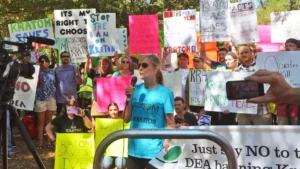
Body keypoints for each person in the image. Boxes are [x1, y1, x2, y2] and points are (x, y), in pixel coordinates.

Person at [124, 54, 175, 169]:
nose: (140, 68)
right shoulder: (135, 90)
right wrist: (128, 98)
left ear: (156, 68)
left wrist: (167, 140)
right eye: (139, 65)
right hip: (134, 149)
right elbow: (126, 119)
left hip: (154, 151)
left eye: (145, 65)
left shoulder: (166, 93)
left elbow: (171, 123)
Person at [235, 45, 271, 125]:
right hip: (243, 111)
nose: (244, 55)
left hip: (261, 110)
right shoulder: (236, 71)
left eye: (246, 52)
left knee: (263, 136)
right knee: (244, 137)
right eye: (242, 53)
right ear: (239, 55)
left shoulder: (262, 67)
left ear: (252, 53)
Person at [275, 38, 300, 125]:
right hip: (283, 107)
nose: (288, 48)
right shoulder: (279, 64)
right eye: (286, 46)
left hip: (297, 106)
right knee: (283, 133)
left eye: (291, 45)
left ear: (298, 49)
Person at [35, 55, 56, 149]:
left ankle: (49, 142)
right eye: (42, 62)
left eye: (46, 61)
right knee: (40, 122)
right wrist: (36, 69)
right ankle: (40, 142)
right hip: (40, 99)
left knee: (49, 121)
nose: (44, 63)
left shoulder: (53, 72)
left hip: (51, 98)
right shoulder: (37, 73)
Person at [55, 51, 82, 116]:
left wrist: (77, 73)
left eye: (67, 56)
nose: (66, 58)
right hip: (61, 101)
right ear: (61, 58)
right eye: (64, 56)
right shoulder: (56, 70)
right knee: (61, 120)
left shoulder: (74, 68)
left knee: (72, 120)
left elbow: (79, 82)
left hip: (72, 101)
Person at [102, 103, 126, 169]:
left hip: (120, 150)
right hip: (109, 150)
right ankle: (111, 162)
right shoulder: (104, 123)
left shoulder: (123, 122)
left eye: (115, 109)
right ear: (108, 111)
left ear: (118, 110)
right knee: (106, 165)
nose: (113, 112)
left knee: (121, 165)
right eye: (111, 110)